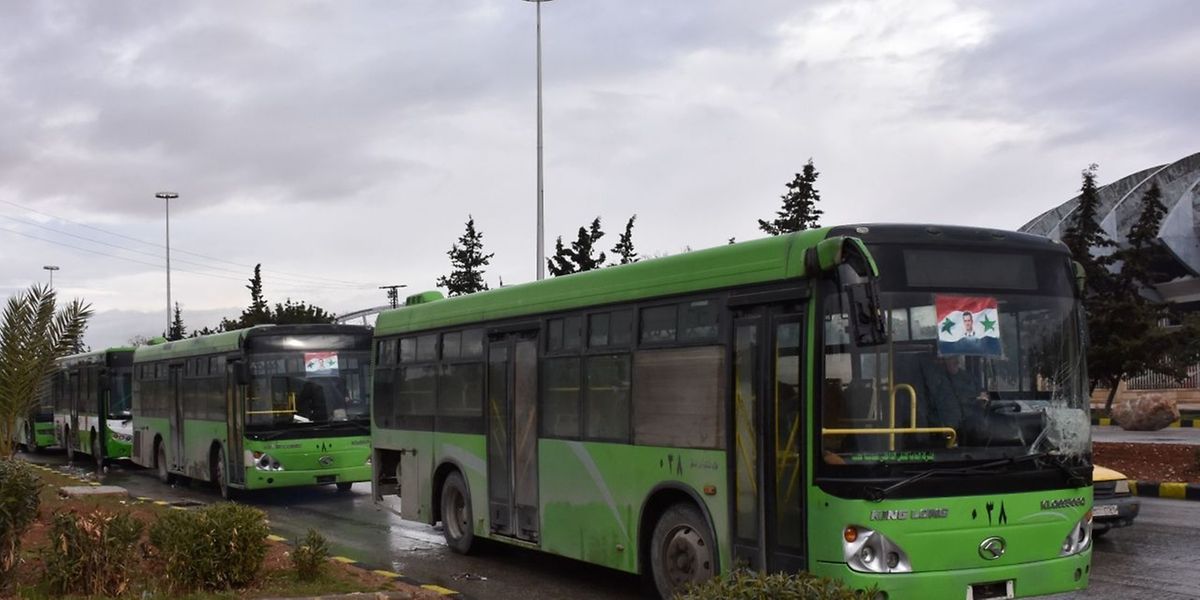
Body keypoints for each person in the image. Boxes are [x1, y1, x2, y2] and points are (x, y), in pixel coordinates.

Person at [922, 355, 988, 435]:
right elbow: (933, 404)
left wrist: (982, 400)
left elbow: (982, 394)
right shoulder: (934, 380)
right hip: (943, 430)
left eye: (957, 357)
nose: (957, 361)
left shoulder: (968, 378)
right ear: (942, 360)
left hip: (971, 429)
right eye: (951, 357)